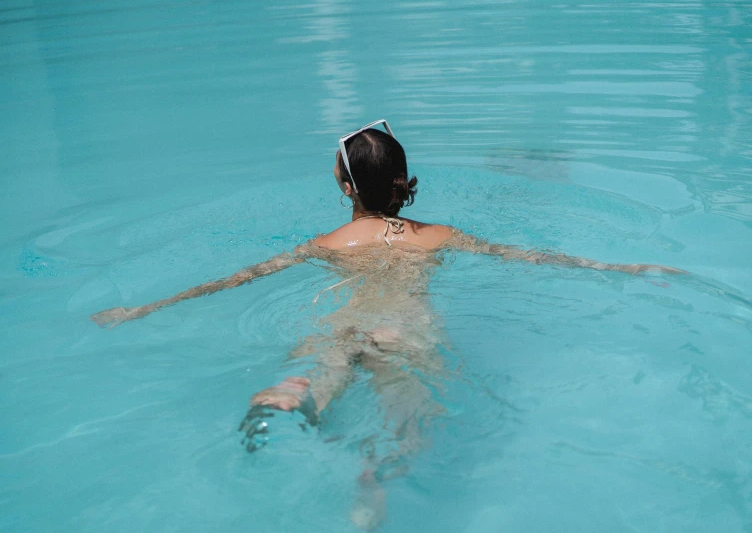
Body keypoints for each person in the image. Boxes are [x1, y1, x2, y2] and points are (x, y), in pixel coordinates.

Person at [91, 119, 684, 530]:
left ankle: (286, 396)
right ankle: (374, 480)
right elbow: (527, 257)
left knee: (315, 372)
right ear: (403, 184)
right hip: (405, 330)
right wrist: (623, 265)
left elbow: (237, 281)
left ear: (345, 186)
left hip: (340, 325)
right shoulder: (435, 238)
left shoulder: (327, 244)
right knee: (406, 419)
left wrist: (139, 309)